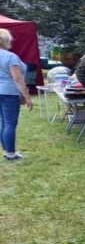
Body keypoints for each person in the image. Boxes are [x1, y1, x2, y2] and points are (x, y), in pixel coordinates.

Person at [0, 29, 33, 161]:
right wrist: (27, 96)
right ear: (6, 40)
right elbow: (18, 79)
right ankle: (11, 153)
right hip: (9, 92)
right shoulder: (10, 57)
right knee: (10, 123)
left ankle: (6, 150)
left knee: (3, 122)